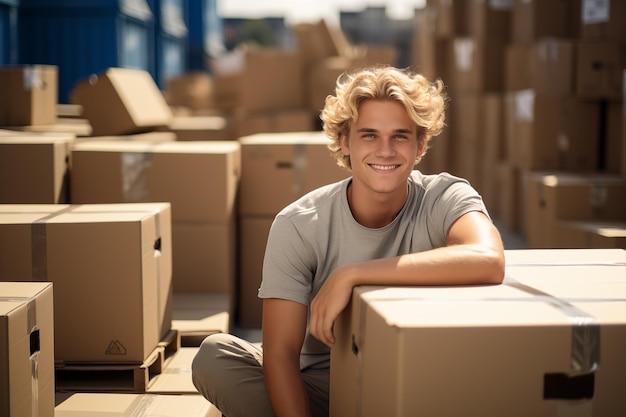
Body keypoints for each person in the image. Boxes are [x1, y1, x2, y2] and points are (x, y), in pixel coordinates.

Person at [192, 65, 505, 417]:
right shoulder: (299, 224)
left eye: (400, 136)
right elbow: (280, 353)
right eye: (369, 135)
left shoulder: (445, 196)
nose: (385, 150)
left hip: (414, 374)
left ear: (420, 144)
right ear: (345, 142)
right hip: (321, 382)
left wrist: (352, 274)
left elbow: (488, 259)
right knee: (215, 355)